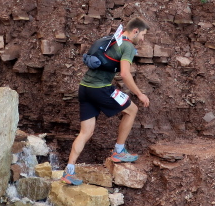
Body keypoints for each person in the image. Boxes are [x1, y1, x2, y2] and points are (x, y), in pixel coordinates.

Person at [61, 17, 151, 185]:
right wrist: (139, 94)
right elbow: (125, 74)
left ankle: (69, 171)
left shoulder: (111, 39)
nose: (143, 39)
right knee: (132, 110)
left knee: (85, 132)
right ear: (135, 31)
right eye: (143, 35)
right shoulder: (127, 46)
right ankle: (118, 151)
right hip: (101, 88)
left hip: (84, 88)